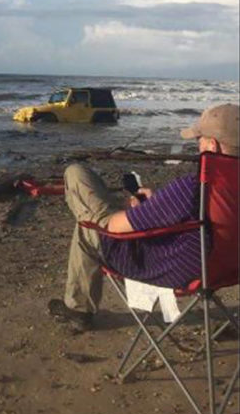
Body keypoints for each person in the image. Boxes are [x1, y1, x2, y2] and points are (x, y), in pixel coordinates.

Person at [49, 103, 240, 333]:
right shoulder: (215, 193)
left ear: (212, 145)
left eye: (199, 139)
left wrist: (131, 213)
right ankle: (78, 307)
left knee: (82, 199)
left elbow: (113, 226)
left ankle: (79, 310)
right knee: (97, 215)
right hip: (226, 269)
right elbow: (208, 222)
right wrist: (156, 205)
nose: (197, 144)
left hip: (174, 269)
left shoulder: (192, 189)